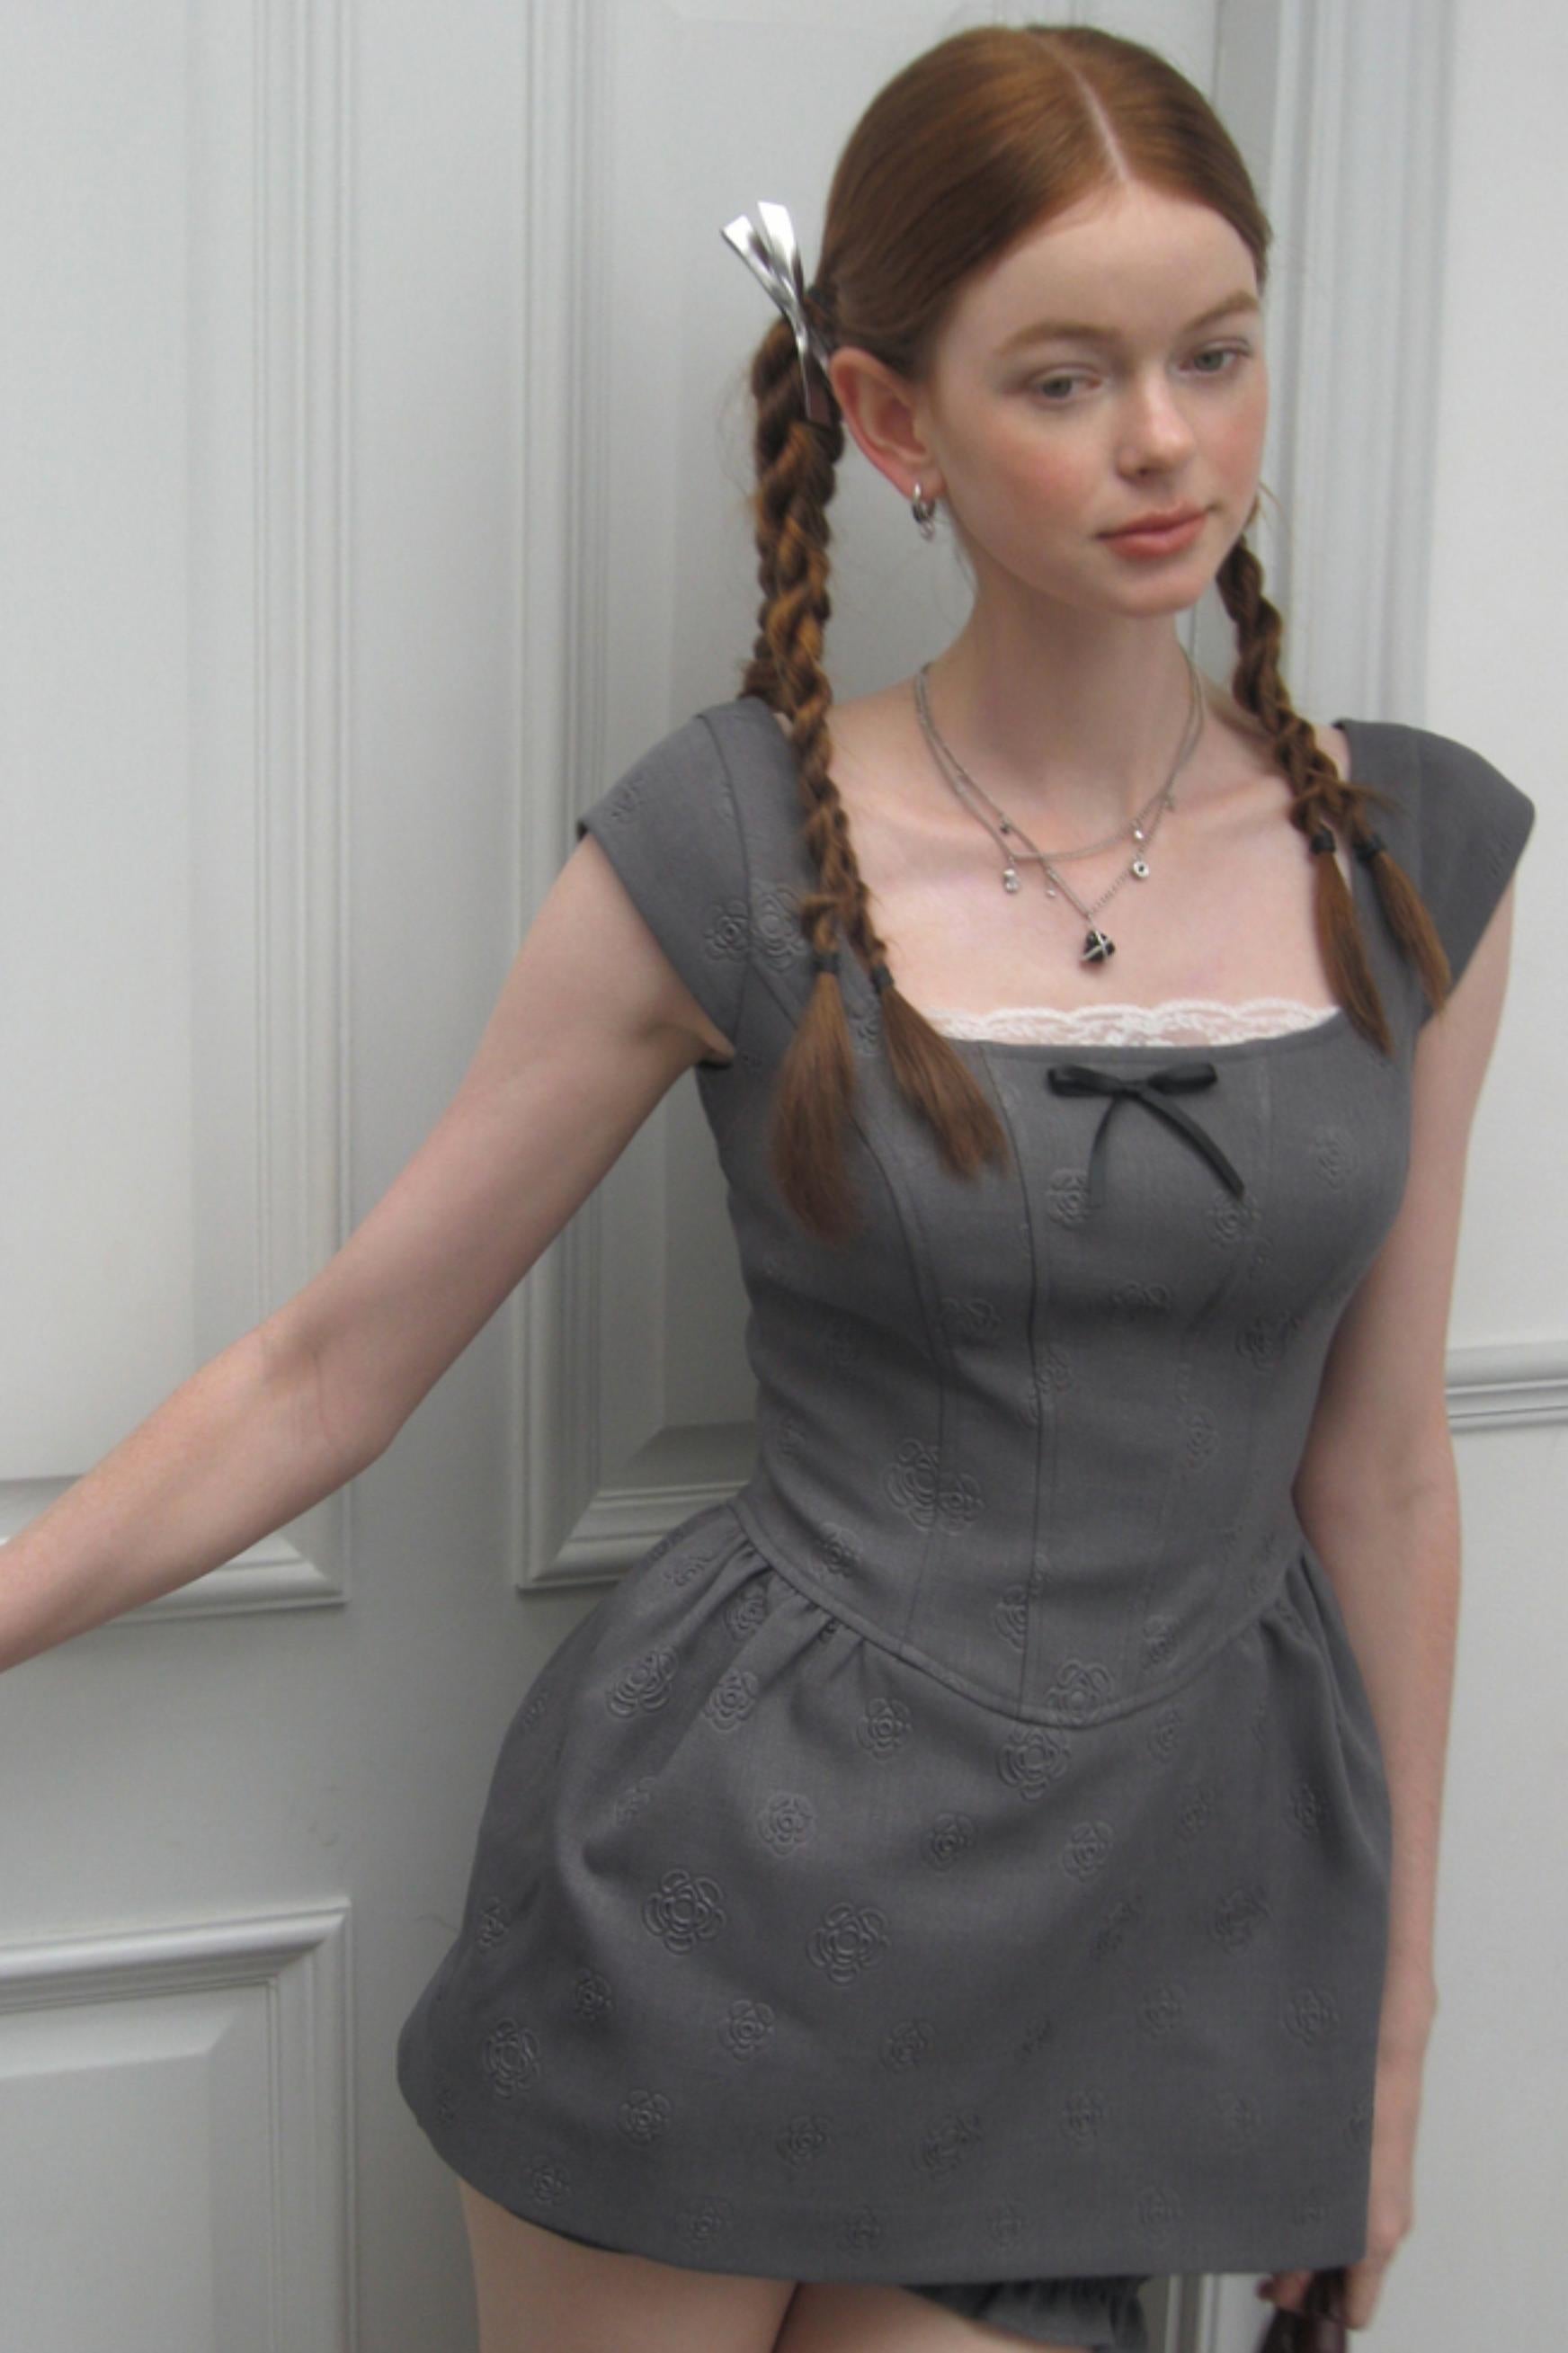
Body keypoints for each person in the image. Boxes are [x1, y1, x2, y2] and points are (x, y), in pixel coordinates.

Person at [2, 22, 1534, 2353]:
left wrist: (1387, 2032)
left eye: (1216, 354)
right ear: (893, 420)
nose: (1165, 440)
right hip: (720, 1902)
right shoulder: (727, 842)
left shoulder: (1409, 856)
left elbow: (1388, 1472)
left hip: (1146, 1943)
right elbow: (327, 1371)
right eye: (1067, 378)